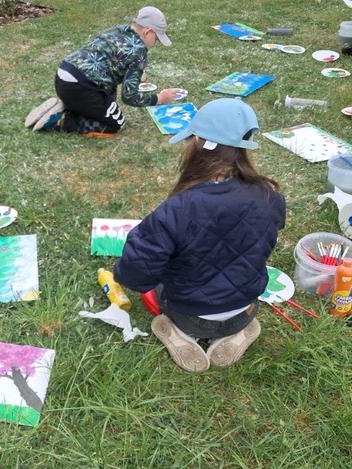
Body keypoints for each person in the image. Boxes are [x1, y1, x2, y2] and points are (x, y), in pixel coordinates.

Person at [114, 99, 286, 372]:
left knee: (158, 286)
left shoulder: (177, 209)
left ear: (197, 141)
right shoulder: (269, 195)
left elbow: (135, 275)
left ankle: (180, 334)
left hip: (190, 316)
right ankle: (238, 331)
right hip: (245, 308)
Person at [24, 6, 183, 137]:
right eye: (156, 38)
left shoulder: (120, 30)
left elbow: (107, 70)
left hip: (63, 75)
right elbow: (129, 97)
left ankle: (67, 105)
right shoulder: (138, 52)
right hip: (80, 87)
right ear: (148, 32)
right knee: (115, 124)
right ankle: (61, 119)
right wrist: (158, 98)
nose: (155, 43)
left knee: (106, 105)